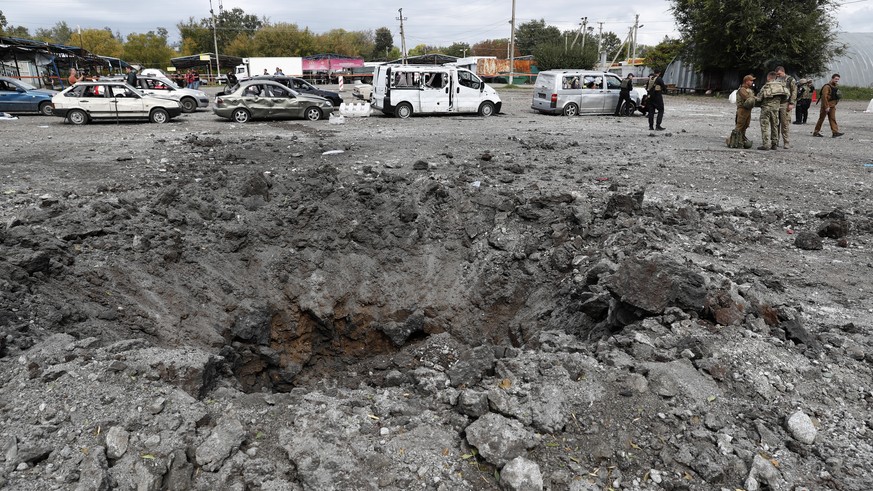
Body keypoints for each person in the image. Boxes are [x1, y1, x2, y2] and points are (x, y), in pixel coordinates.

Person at [755, 71, 788, 150]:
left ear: (768, 77)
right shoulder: (781, 86)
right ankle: (774, 144)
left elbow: (759, 98)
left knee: (765, 126)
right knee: (775, 125)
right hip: (775, 108)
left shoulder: (766, 86)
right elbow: (785, 98)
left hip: (766, 108)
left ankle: (766, 144)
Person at [727, 74, 756, 148]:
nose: (752, 82)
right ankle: (731, 141)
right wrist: (755, 98)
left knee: (745, 125)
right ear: (746, 81)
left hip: (748, 110)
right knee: (740, 126)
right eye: (751, 80)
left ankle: (741, 139)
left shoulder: (748, 89)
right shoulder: (742, 90)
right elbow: (747, 98)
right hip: (742, 110)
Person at [774, 66, 797, 149]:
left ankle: (786, 142)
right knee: (775, 124)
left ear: (783, 72)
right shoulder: (775, 79)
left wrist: (791, 103)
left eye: (779, 74)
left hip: (785, 104)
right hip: (776, 104)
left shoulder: (790, 80)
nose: (778, 75)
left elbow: (794, 91)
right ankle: (775, 142)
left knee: (785, 124)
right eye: (777, 74)